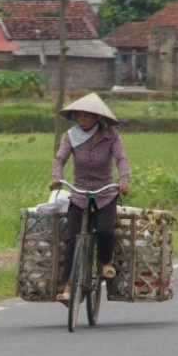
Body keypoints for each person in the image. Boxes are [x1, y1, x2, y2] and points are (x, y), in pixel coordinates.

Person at [49, 92, 130, 302]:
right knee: (72, 237)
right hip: (80, 192)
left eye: (86, 116)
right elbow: (59, 159)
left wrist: (123, 180)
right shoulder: (71, 136)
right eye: (79, 116)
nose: (82, 120)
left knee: (105, 230)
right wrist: (56, 178)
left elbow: (121, 158)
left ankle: (105, 262)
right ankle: (68, 286)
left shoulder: (111, 136)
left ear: (97, 117)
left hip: (105, 192)